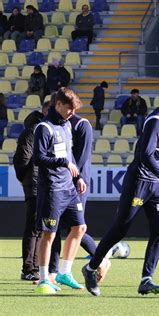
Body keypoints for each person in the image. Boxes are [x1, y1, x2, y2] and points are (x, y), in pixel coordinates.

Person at [82, 86, 159, 297]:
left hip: (156, 187)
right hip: (139, 182)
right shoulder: (156, 121)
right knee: (121, 228)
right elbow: (146, 155)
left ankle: (146, 278)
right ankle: (91, 268)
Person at [33, 87, 87, 294]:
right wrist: (63, 162)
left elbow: (70, 156)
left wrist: (78, 176)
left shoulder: (67, 126)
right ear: (58, 105)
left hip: (69, 188)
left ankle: (65, 272)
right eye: (69, 108)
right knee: (49, 234)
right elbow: (38, 158)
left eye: (74, 109)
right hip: (52, 190)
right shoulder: (44, 128)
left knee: (79, 228)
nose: (72, 113)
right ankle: (44, 278)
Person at [49, 112, 111, 284]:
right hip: (60, 182)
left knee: (74, 227)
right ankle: (52, 273)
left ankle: (101, 258)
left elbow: (81, 159)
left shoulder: (81, 125)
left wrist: (77, 179)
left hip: (77, 183)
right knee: (53, 228)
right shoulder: (57, 125)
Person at [13, 101, 49, 282]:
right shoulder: (33, 131)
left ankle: (35, 267)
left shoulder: (46, 130)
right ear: (45, 110)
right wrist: (27, 180)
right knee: (34, 228)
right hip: (35, 184)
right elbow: (21, 160)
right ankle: (29, 267)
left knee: (40, 228)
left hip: (44, 183)